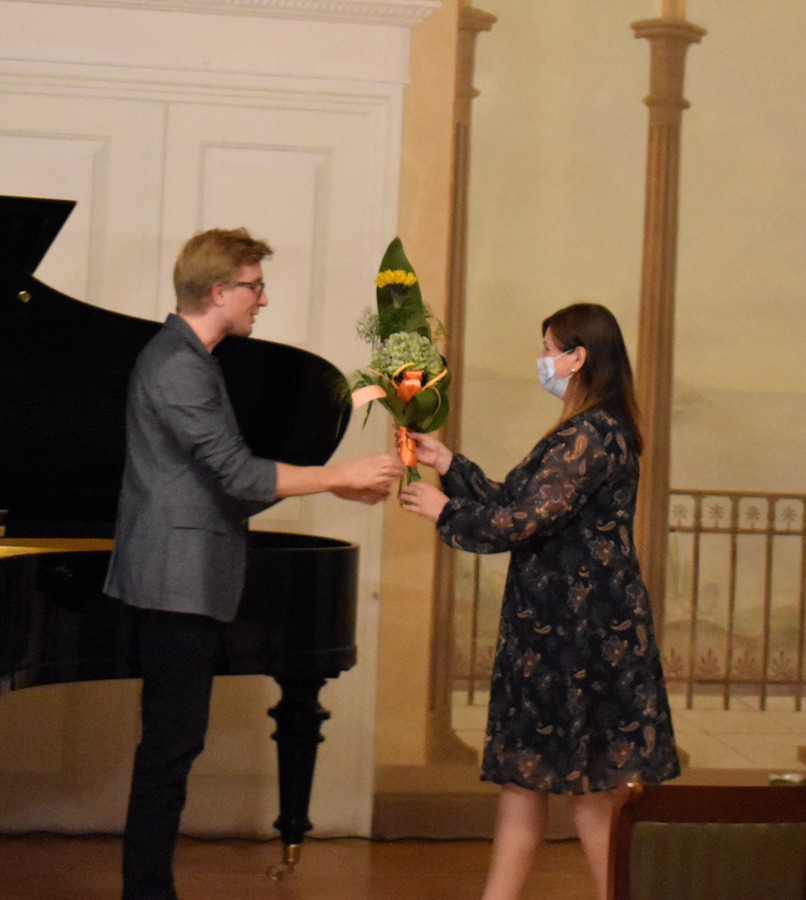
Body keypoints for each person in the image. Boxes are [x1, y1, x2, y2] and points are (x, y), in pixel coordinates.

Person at [103, 227, 403, 900]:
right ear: (219, 291)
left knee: (173, 745)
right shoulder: (179, 365)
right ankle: (146, 892)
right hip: (176, 579)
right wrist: (338, 475)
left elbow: (224, 479)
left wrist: (334, 485)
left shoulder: (190, 358)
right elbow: (237, 474)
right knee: (170, 749)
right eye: (254, 286)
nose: (262, 299)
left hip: (185, 574)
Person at [398, 302, 680, 900]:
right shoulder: (584, 430)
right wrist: (448, 464)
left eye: (549, 348)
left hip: (582, 641)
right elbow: (518, 503)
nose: (542, 360)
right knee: (523, 789)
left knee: (591, 798)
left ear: (578, 358)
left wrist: (445, 511)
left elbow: (521, 523)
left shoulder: (592, 433)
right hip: (551, 639)